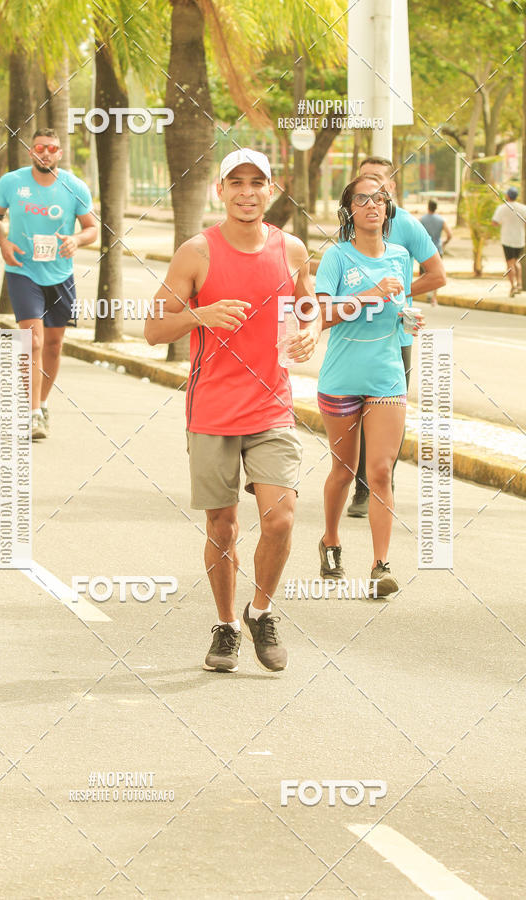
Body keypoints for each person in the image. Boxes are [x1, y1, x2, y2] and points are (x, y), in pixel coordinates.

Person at [144, 148, 320, 673]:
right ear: (220, 190)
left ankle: (260, 609)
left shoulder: (291, 249)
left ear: (271, 190)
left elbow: (306, 305)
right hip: (213, 412)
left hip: (272, 408)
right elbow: (154, 329)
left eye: (257, 182)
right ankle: (225, 626)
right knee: (221, 528)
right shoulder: (197, 253)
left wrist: (310, 331)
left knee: (281, 519)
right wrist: (201, 314)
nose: (247, 191)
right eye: (235, 182)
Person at [315, 174, 424, 597]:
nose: (373, 205)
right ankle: (330, 540)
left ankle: (380, 566)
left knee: (380, 472)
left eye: (380, 198)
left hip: (386, 376)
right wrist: (368, 294)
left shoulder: (399, 257)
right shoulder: (337, 258)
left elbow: (400, 310)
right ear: (350, 210)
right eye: (363, 199)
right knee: (343, 471)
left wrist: (407, 319)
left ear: (388, 208)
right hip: (341, 378)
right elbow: (322, 315)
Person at [347, 157, 445, 517]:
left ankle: (380, 482)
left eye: (379, 181)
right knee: (354, 413)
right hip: (353, 337)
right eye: (364, 179)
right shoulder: (350, 222)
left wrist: (400, 295)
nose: (371, 187)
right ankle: (360, 487)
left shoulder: (407, 224)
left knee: (388, 414)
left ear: (391, 187)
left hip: (395, 339)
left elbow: (437, 275)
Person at [0, 129, 97, 439]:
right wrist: (4, 243)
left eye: (52, 148)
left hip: (61, 274)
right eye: (40, 148)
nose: (46, 153)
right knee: (32, 341)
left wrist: (76, 240)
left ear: (59, 153)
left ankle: (43, 402)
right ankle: (33, 413)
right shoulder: (12, 182)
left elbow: (91, 229)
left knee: (53, 344)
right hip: (23, 270)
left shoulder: (74, 187)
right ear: (31, 152)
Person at [491, 187, 526, 297]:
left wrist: (502, 223)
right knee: (517, 262)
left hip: (507, 240)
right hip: (519, 239)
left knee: (510, 264)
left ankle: (513, 287)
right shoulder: (523, 208)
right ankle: (519, 283)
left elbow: (494, 223)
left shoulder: (502, 208)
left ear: (508, 196)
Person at [420, 199, 452, 305]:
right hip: (437, 250)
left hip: (424, 250)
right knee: (437, 273)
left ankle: (426, 293)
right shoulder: (441, 220)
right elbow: (449, 234)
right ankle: (434, 297)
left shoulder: (422, 220)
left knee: (425, 273)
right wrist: (444, 243)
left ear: (428, 207)